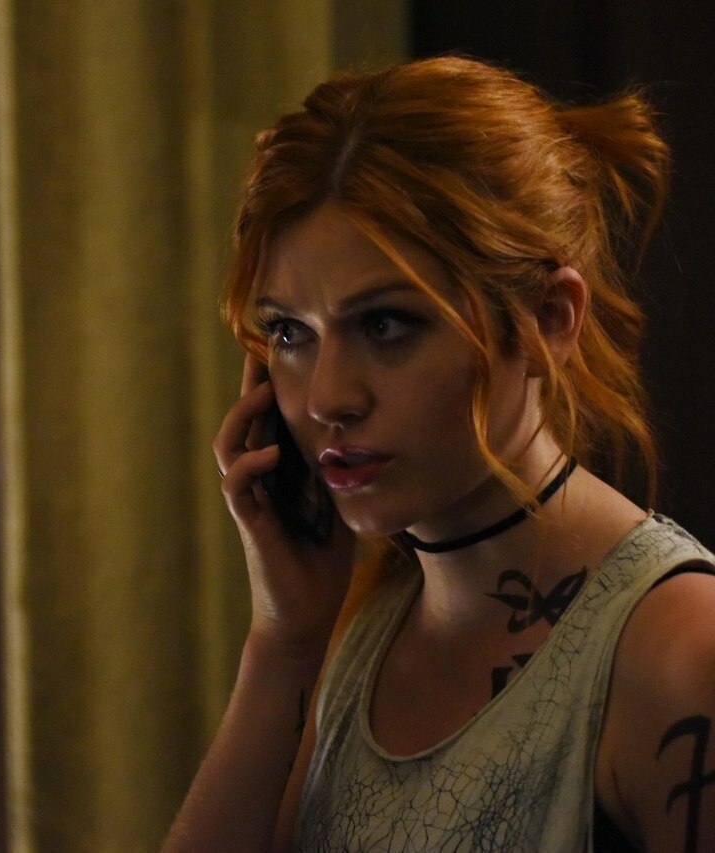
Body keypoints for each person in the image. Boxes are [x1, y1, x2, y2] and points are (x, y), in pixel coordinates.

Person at [164, 56, 715, 851]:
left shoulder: (681, 653)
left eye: (385, 324)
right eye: (290, 332)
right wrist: (281, 644)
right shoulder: (351, 635)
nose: (325, 398)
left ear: (549, 319)